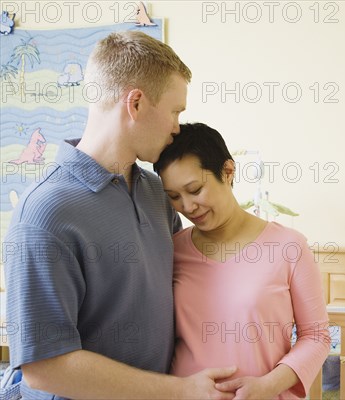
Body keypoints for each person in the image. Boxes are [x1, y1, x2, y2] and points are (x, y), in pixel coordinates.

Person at [3, 31, 236, 399]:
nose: (177, 127)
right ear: (137, 103)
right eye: (175, 112)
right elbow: (44, 367)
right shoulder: (45, 215)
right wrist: (179, 390)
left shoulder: (157, 193)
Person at [153, 122, 331, 399]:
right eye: (174, 197)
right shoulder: (172, 250)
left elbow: (316, 336)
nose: (187, 207)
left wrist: (268, 386)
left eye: (196, 189)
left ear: (227, 171)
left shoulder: (289, 247)